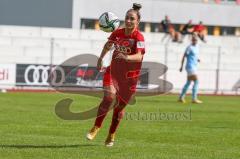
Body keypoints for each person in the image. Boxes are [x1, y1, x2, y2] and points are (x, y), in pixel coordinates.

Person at [86, 3, 145, 147]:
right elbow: (108, 45)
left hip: (130, 78)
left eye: (132, 19)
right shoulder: (117, 33)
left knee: (119, 108)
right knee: (109, 97)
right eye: (127, 18)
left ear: (137, 22)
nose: (129, 21)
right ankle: (96, 127)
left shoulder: (139, 37)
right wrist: (100, 58)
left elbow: (139, 56)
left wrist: (126, 58)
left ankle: (111, 134)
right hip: (113, 72)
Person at [178, 35, 203, 104]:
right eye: (193, 40)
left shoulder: (197, 47)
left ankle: (181, 97)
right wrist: (181, 66)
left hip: (194, 66)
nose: (195, 41)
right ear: (191, 40)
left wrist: (198, 60)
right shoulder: (189, 47)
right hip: (190, 66)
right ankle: (194, 99)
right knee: (196, 81)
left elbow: (194, 56)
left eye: (196, 40)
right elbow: (184, 56)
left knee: (188, 82)